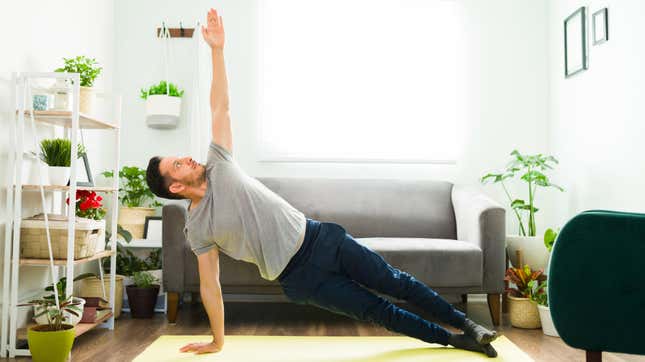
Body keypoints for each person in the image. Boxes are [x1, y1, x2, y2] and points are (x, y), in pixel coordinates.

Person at [145, 7, 498, 358]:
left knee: (397, 283)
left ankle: (468, 325)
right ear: (175, 186)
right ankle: (453, 341)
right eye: (178, 164)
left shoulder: (218, 163)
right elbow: (210, 285)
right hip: (298, 278)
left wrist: (217, 51)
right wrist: (218, 340)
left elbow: (220, 107)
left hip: (321, 238)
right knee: (379, 311)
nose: (188, 158)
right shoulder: (198, 227)